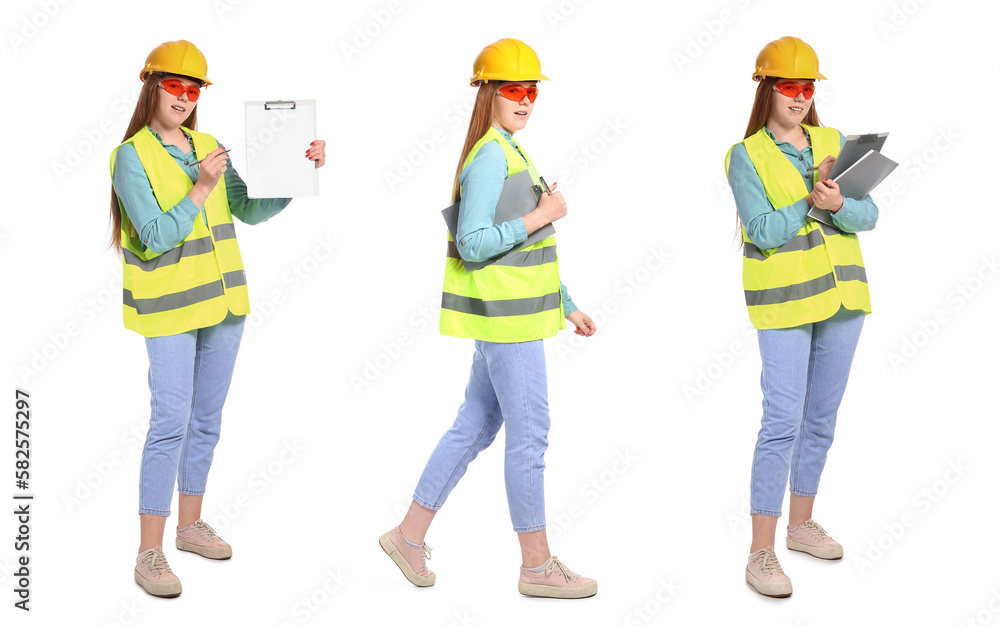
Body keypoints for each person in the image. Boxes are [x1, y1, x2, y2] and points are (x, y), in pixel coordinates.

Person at [379, 38, 598, 599]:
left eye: (532, 91)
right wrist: (544, 213)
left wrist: (565, 302)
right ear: (488, 94)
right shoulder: (493, 156)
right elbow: (474, 242)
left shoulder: (509, 149)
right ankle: (536, 565)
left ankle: (408, 535)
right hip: (509, 325)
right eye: (513, 91)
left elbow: (530, 243)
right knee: (530, 438)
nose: (525, 101)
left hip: (519, 315)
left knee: (474, 425)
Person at [108, 40, 326, 598]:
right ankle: (148, 552)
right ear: (151, 86)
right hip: (171, 309)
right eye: (174, 86)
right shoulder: (131, 155)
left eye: (194, 88)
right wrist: (202, 186)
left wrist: (296, 179)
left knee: (206, 420)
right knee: (169, 423)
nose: (184, 97)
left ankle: (189, 527)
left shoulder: (209, 144)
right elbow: (154, 237)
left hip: (225, 304)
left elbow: (249, 209)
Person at [724, 36, 878, 597]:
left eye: (807, 86)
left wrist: (841, 204)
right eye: (788, 85)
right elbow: (762, 232)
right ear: (766, 89)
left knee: (822, 419)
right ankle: (760, 552)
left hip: (843, 298)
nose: (799, 95)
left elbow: (869, 214)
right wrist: (813, 201)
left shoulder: (834, 141)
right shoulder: (746, 155)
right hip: (785, 301)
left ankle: (800, 525)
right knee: (781, 422)